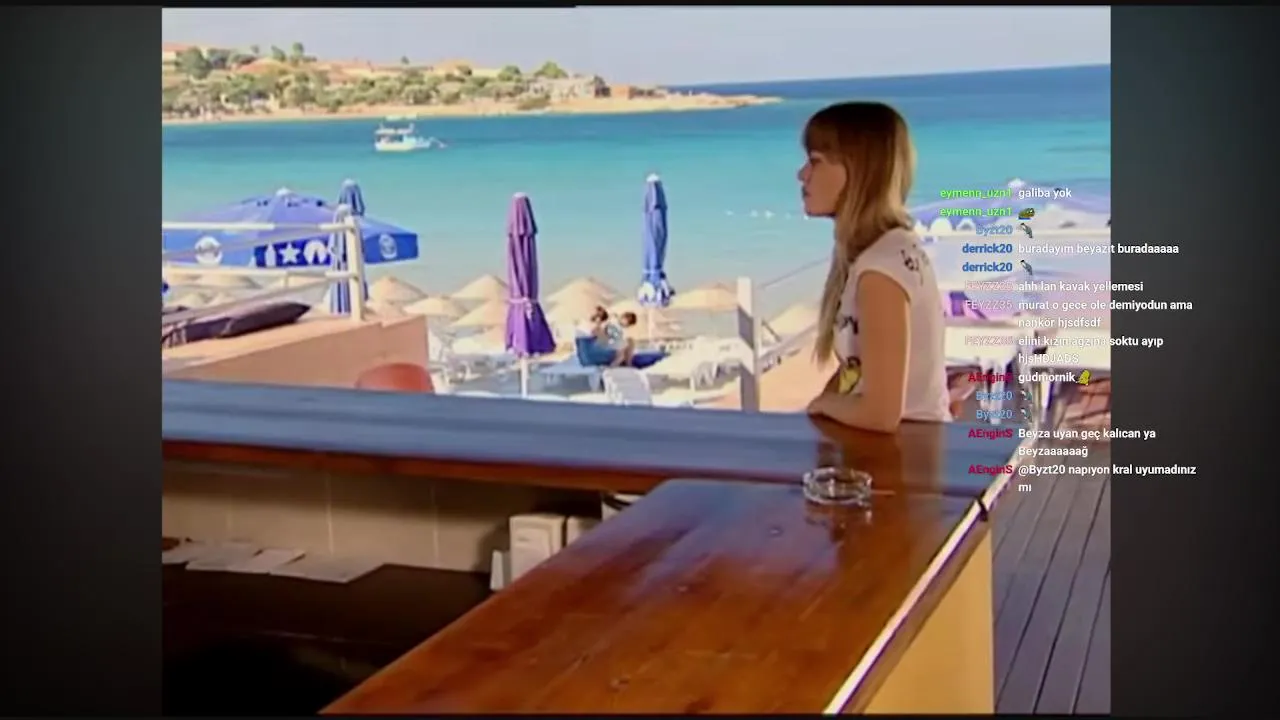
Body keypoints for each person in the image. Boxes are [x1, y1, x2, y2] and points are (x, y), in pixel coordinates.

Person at [798, 101, 949, 433]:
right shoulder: (882, 252)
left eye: (815, 161)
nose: (802, 174)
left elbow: (880, 413)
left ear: (858, 172)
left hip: (905, 452)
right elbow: (858, 372)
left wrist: (820, 405)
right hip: (908, 447)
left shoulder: (881, 269)